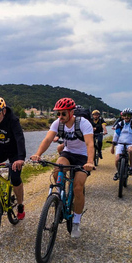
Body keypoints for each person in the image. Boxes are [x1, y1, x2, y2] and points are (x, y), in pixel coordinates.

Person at [30, 98, 95, 238]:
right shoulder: (57, 124)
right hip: (67, 153)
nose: (60, 117)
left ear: (71, 112)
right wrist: (37, 154)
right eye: (58, 114)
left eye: (63, 114)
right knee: (57, 171)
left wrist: (90, 161)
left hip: (82, 157)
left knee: (78, 187)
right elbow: (47, 140)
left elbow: (90, 144)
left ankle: (76, 222)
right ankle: (60, 197)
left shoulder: (84, 123)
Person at [110, 108, 132, 180]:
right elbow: (116, 135)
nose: (126, 117)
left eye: (128, 115)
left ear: (131, 116)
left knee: (131, 150)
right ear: (122, 116)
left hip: (131, 143)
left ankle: (131, 168)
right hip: (120, 143)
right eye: (125, 115)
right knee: (117, 159)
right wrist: (112, 147)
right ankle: (118, 172)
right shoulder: (120, 124)